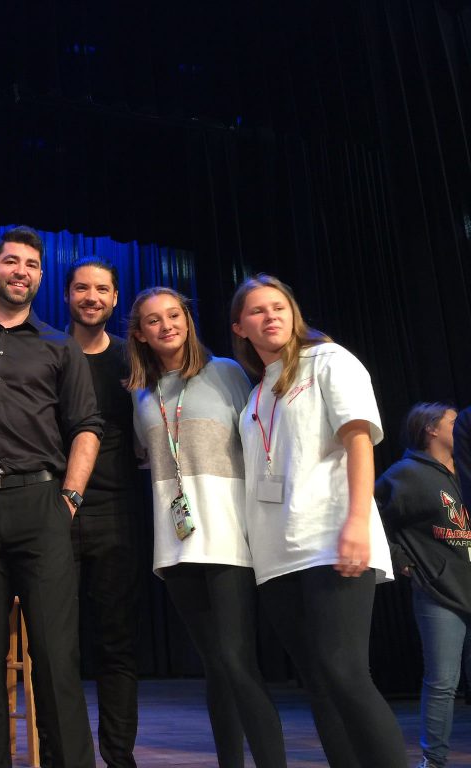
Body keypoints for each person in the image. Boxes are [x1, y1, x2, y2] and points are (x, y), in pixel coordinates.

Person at [230, 273, 406, 768]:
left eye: (279, 307)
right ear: (240, 326)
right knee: (321, 684)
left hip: (330, 537)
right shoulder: (255, 394)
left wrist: (356, 522)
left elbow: (357, 441)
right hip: (277, 556)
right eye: (259, 311)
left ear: (294, 314)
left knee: (344, 671)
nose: (271, 317)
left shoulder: (329, 360)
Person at [0, 226, 101, 768]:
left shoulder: (60, 346)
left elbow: (87, 426)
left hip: (43, 506)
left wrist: (69, 499)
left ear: (40, 277)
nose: (21, 270)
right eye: (11, 261)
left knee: (57, 660)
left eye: (32, 264)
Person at [128, 286, 285, 768]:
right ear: (140, 334)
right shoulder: (141, 394)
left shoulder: (228, 374)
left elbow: (261, 442)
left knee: (237, 662)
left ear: (188, 321)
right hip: (175, 548)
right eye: (153, 320)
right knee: (215, 666)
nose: (166, 325)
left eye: (174, 315)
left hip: (228, 537)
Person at [62, 258, 140, 768]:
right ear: (68, 294)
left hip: (118, 513)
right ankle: (67, 753)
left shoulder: (135, 359)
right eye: (82, 288)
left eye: (102, 290)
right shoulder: (49, 351)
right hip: (57, 513)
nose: (92, 296)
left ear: (114, 299)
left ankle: (118, 755)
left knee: (117, 643)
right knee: (59, 644)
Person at [377, 403, 469, 768]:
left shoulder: (463, 470)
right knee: (444, 681)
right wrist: (403, 561)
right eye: (453, 420)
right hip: (440, 592)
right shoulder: (406, 475)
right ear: (431, 429)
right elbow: (372, 517)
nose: (460, 426)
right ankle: (434, 760)